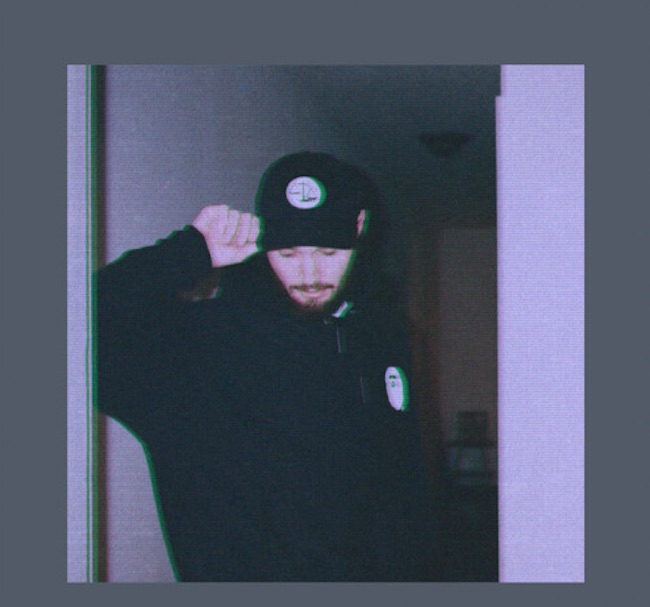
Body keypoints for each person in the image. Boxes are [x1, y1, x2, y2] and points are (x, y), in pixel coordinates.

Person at [97, 151, 438, 582]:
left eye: (329, 251)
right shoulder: (197, 348)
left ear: (358, 227)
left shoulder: (382, 335)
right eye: (289, 254)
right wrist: (189, 252)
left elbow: (403, 483)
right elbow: (73, 327)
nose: (311, 275)